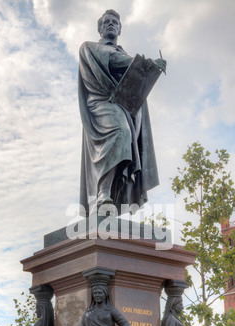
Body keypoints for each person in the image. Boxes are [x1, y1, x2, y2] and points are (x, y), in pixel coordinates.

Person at [78, 9, 166, 215]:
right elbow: (112, 59)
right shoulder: (89, 48)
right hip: (100, 103)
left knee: (126, 139)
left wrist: (149, 70)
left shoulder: (125, 54)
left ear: (119, 29)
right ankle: (103, 194)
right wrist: (146, 64)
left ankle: (112, 199)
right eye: (106, 22)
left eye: (114, 23)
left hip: (124, 107)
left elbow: (134, 80)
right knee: (120, 133)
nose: (110, 24)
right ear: (100, 28)